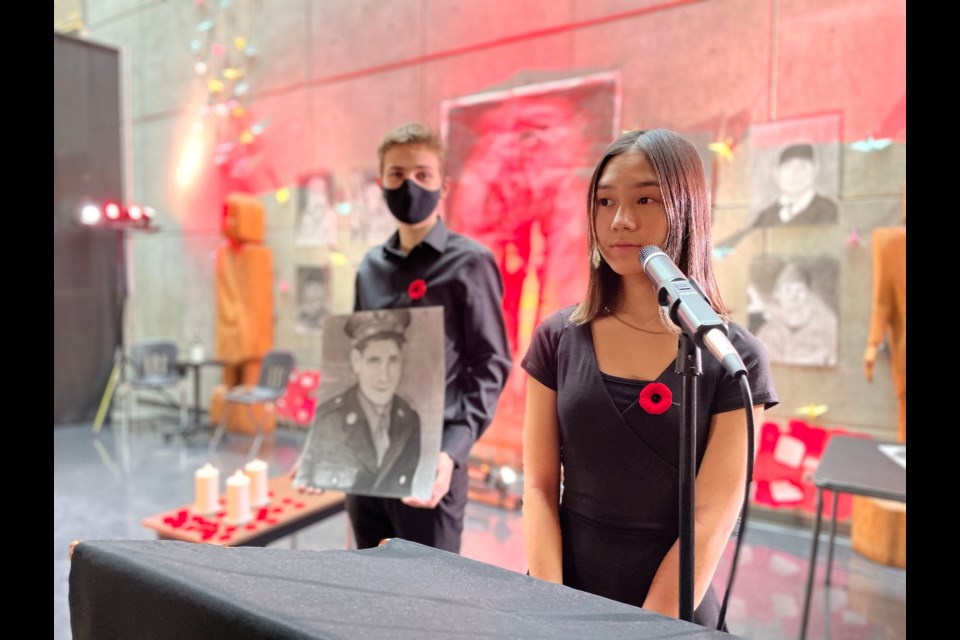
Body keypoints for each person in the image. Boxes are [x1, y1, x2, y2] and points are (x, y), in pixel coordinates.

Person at [521, 129, 778, 628]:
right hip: (560, 592)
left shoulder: (732, 356)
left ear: (686, 211)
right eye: (604, 201)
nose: (620, 220)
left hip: (673, 607)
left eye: (645, 199)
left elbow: (711, 518)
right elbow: (537, 487)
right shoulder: (558, 338)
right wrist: (549, 608)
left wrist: (646, 628)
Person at [345, 122, 512, 552]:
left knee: (430, 594)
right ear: (381, 182)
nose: (409, 185)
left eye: (422, 175)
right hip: (369, 460)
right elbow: (357, 357)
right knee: (364, 583)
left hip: (432, 460)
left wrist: (452, 449)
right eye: (397, 175)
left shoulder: (470, 263)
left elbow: (491, 364)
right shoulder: (369, 268)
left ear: (444, 186)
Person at [296, 309, 421, 496]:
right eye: (374, 361)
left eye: (393, 360)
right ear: (356, 361)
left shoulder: (410, 421)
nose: (384, 376)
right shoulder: (329, 420)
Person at [755, 261, 838, 367]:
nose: (793, 296)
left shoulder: (825, 329)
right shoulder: (767, 334)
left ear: (808, 293)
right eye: (788, 290)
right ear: (777, 294)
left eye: (800, 290)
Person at [753, 142, 838, 227]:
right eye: (787, 167)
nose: (794, 174)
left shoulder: (830, 211)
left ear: (815, 170)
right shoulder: (765, 216)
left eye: (803, 166)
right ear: (777, 173)